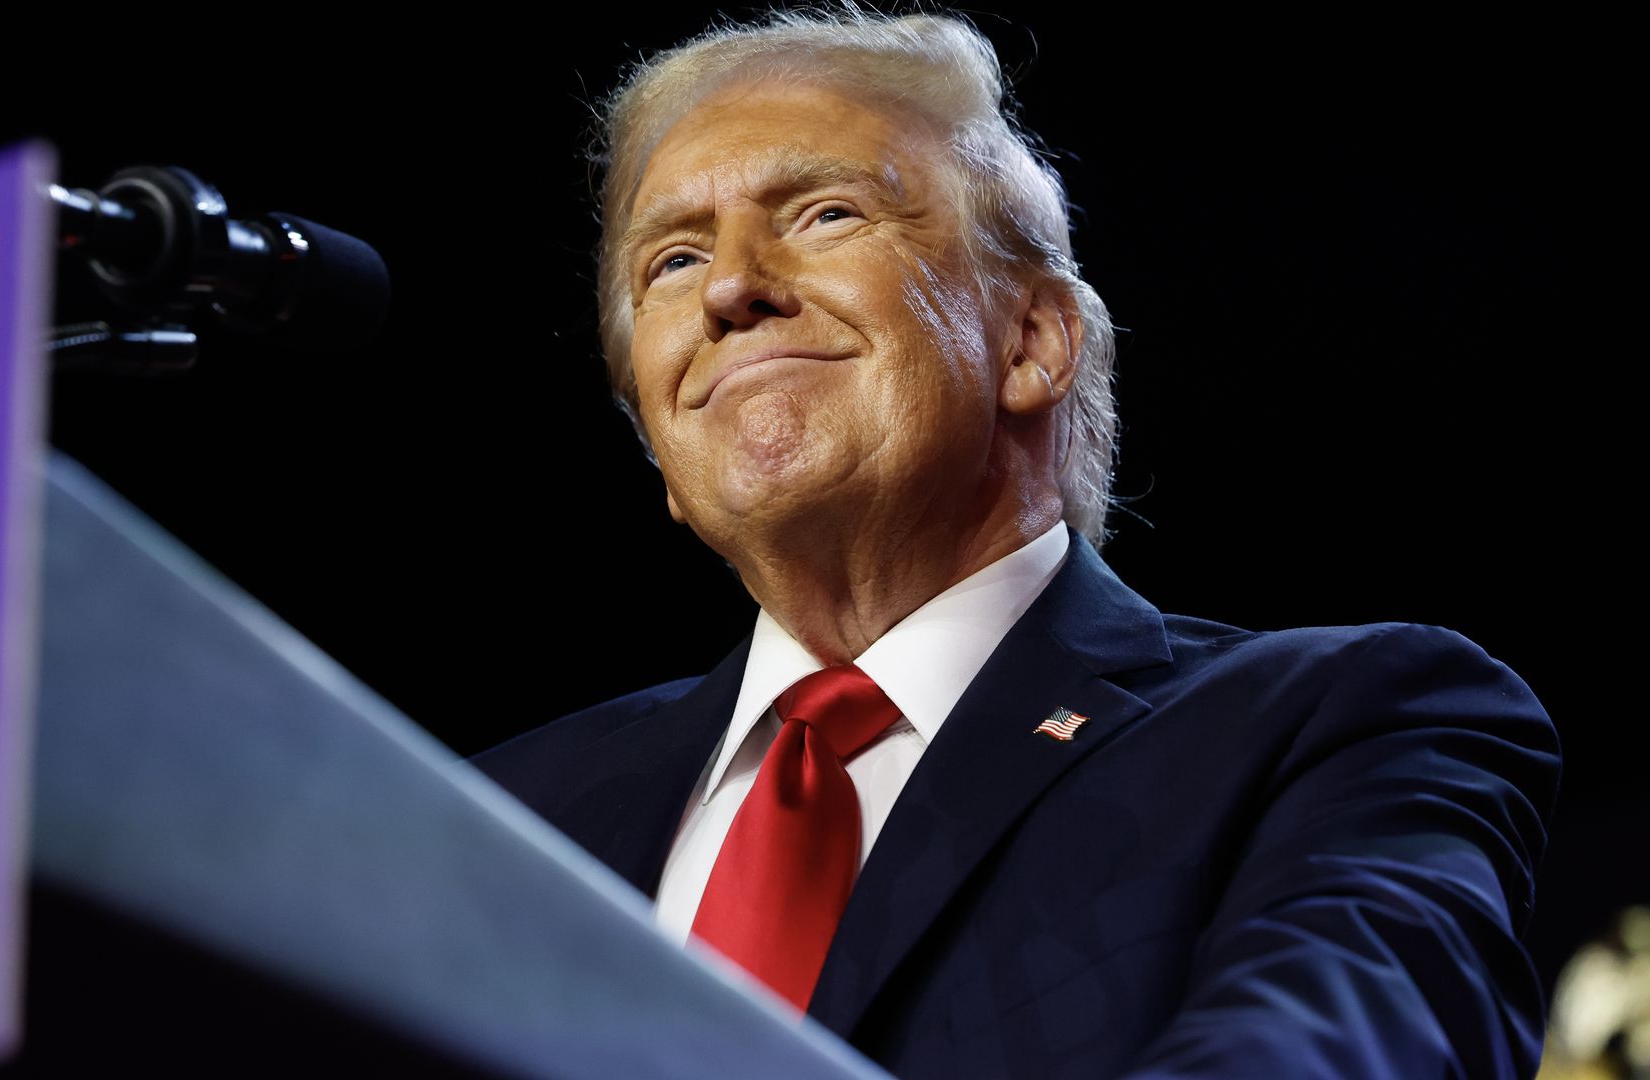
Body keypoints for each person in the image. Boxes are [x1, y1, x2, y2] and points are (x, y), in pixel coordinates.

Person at [469, 8, 1561, 1078]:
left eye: (825, 214)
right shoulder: (494, 818)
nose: (728, 286)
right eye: (670, 261)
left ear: (1033, 343)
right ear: (658, 439)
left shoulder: (1332, 728)